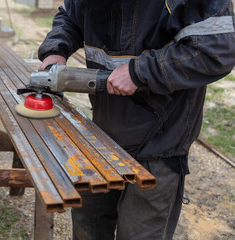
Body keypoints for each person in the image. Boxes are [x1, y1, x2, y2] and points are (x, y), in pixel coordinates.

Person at [38, 1, 235, 239]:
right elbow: (70, 16)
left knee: (139, 233)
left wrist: (140, 72)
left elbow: (216, 50)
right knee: (87, 226)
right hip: (101, 136)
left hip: (161, 141)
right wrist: (56, 50)